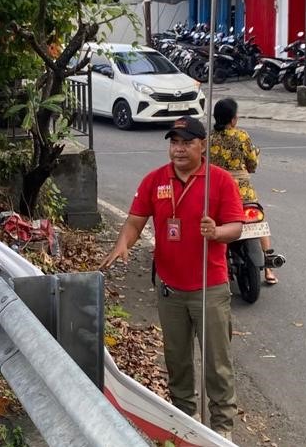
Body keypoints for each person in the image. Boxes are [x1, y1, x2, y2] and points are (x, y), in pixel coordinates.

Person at [100, 116, 243, 440]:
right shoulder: (155, 180)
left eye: (186, 142)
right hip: (170, 289)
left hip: (210, 287)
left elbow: (236, 227)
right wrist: (123, 243)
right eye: (174, 142)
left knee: (217, 364)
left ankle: (222, 430)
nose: (178, 149)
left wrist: (217, 232)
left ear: (202, 145)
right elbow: (135, 222)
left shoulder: (219, 181)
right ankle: (185, 420)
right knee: (177, 360)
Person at [209, 98, 279, 285]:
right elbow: (252, 164)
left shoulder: (207, 139)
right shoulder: (241, 136)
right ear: (232, 119)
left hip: (217, 191)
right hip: (243, 192)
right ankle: (269, 268)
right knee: (260, 221)